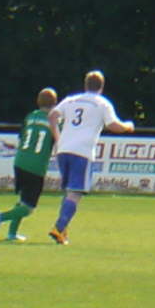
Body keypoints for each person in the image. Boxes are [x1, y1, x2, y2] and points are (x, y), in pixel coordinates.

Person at [47, 70, 135, 245]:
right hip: (82, 151)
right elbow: (113, 125)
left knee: (69, 191)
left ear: (85, 84)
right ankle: (59, 227)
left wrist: (58, 138)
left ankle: (62, 232)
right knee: (75, 193)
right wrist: (127, 126)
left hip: (64, 149)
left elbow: (52, 116)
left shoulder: (71, 99)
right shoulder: (101, 103)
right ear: (101, 87)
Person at [0, 87, 58, 242]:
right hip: (36, 166)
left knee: (22, 200)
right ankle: (0, 217)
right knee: (28, 208)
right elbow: (57, 141)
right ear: (55, 104)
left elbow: (22, 137)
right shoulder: (53, 121)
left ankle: (12, 234)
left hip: (20, 161)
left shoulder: (30, 116)